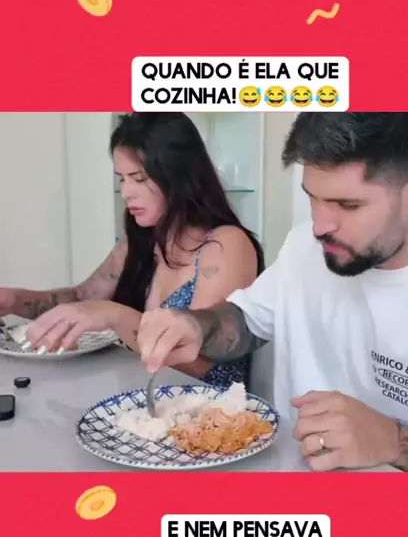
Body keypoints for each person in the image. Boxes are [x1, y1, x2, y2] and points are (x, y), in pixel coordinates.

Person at [136, 112, 408, 472]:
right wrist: (196, 326)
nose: (320, 226)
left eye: (348, 205)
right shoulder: (305, 246)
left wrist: (393, 443)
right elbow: (246, 321)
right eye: (313, 197)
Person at [0, 113, 264, 389]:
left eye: (138, 178)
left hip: (210, 409)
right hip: (143, 397)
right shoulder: (142, 237)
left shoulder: (226, 244)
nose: (126, 193)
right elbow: (82, 299)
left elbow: (197, 363)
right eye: (122, 179)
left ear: (178, 174)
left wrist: (113, 315)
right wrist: (13, 300)